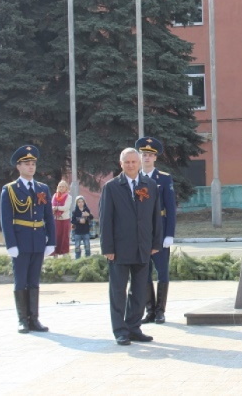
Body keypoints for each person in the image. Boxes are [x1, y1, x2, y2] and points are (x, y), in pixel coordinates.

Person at [100, 148, 162, 345]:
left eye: (134, 161)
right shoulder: (111, 187)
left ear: (139, 163)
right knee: (118, 291)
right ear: (121, 164)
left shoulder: (150, 185)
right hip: (119, 248)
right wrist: (107, 248)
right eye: (127, 162)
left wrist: (155, 243)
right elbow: (105, 219)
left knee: (139, 290)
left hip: (143, 246)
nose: (131, 165)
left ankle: (134, 327)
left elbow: (155, 217)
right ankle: (120, 330)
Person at [0, 145, 56, 333]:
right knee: (20, 280)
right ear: (19, 167)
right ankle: (23, 319)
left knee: (34, 280)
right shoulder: (10, 190)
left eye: (33, 164)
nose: (31, 167)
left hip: (38, 240)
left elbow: (49, 216)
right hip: (21, 241)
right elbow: (6, 220)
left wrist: (52, 241)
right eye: (27, 164)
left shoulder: (43, 188)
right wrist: (11, 244)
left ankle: (34, 319)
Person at [135, 137, 176, 325]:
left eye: (150, 155)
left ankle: (160, 311)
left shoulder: (164, 178)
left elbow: (171, 208)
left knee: (162, 272)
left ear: (155, 158)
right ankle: (149, 310)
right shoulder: (135, 179)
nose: (147, 158)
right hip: (142, 232)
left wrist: (169, 234)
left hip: (160, 230)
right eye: (144, 154)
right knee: (144, 271)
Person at [51, 180, 72, 256]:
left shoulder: (68, 197)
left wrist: (56, 208)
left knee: (64, 238)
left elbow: (66, 207)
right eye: (60, 186)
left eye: (63, 186)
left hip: (65, 220)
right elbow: (51, 206)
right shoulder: (54, 196)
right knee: (55, 238)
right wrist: (56, 208)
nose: (61, 188)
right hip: (56, 219)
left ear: (66, 187)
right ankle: (55, 256)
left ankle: (65, 256)